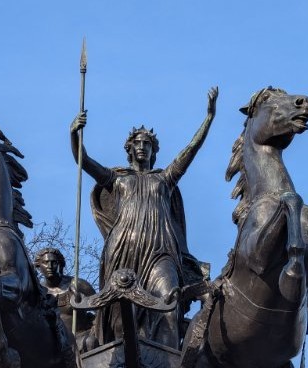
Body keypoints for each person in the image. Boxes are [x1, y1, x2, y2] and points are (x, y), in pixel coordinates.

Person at [70, 87, 218, 348]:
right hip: (123, 251)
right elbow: (84, 161)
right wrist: (74, 134)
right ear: (129, 149)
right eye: (137, 143)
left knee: (169, 299)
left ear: (153, 150)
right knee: (119, 316)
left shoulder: (164, 178)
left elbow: (190, 151)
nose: (141, 147)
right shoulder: (117, 179)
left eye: (147, 144)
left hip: (160, 251)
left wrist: (208, 118)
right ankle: (118, 361)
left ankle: (167, 360)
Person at [34, 247, 96, 334]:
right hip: (50, 340)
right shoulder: (37, 292)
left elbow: (100, 307)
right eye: (45, 263)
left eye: (54, 262)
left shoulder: (77, 284)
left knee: (91, 341)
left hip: (80, 336)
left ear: (60, 264)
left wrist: (95, 326)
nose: (50, 266)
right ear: (38, 266)